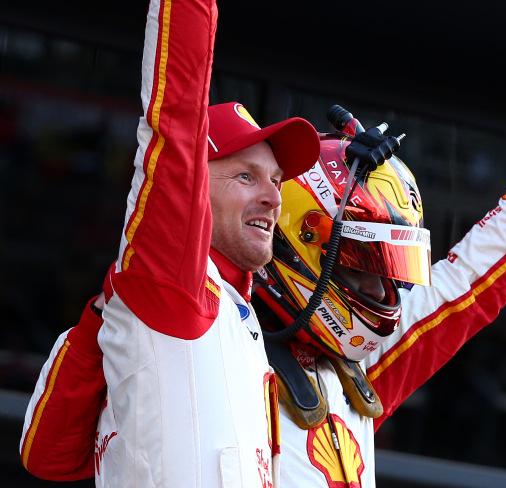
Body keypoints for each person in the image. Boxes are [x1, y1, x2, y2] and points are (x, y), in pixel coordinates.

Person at [21, 20, 506, 488]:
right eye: (367, 265)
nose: (385, 293)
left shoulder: (352, 370)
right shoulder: (176, 320)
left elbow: (471, 284)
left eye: (273, 180)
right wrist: (119, 305)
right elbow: (47, 454)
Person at [20, 0, 320, 487]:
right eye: (246, 176)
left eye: (277, 181)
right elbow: (175, 115)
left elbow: (46, 458)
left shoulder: (236, 315)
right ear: (190, 192)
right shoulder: (176, 284)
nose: (272, 198)